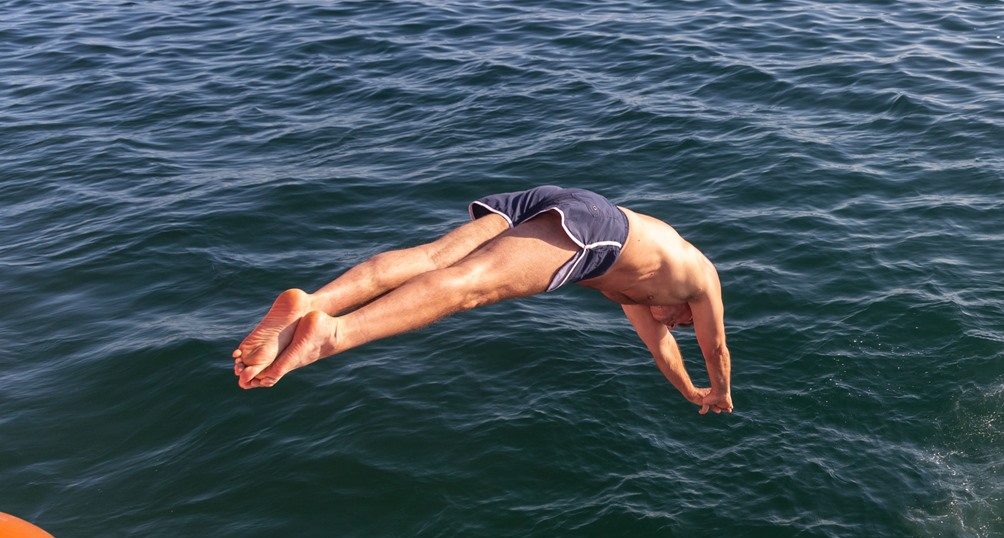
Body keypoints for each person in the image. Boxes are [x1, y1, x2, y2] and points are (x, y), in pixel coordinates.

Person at [232, 186, 732, 414]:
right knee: (472, 285)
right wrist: (722, 391)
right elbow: (716, 349)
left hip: (561, 200)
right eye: (682, 324)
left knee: (434, 258)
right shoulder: (702, 281)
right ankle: (331, 332)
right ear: (689, 311)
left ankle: (313, 302)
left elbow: (661, 350)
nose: (674, 326)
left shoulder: (638, 296)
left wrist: (690, 394)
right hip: (598, 228)